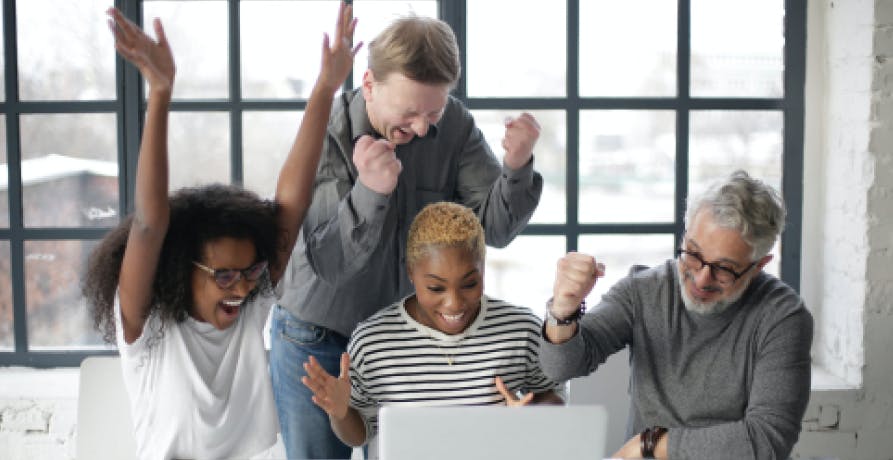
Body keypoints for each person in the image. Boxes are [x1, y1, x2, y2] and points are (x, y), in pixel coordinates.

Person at [82, 4, 359, 459]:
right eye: (225, 275)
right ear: (180, 271)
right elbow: (150, 224)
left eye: (250, 271)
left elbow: (292, 200)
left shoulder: (249, 306)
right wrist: (160, 93)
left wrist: (326, 87)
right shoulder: (149, 329)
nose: (243, 286)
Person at [270, 14, 545, 459]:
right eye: (409, 112)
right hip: (318, 334)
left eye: (432, 111)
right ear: (370, 84)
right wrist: (371, 192)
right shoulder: (328, 132)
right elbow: (329, 263)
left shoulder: (453, 125)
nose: (422, 128)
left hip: (399, 341)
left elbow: (493, 229)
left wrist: (516, 166)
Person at [540, 170, 813, 460]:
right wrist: (563, 309)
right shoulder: (643, 290)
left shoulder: (782, 317)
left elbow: (766, 440)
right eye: (693, 254)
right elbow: (561, 368)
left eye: (724, 268)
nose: (701, 278)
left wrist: (650, 444)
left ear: (759, 265)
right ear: (685, 235)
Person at [301, 201, 564, 458]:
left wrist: (532, 418)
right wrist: (341, 413)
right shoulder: (373, 342)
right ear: (411, 273)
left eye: (470, 284)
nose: (454, 303)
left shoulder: (520, 330)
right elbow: (361, 434)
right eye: (436, 288)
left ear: (483, 269)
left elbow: (553, 398)